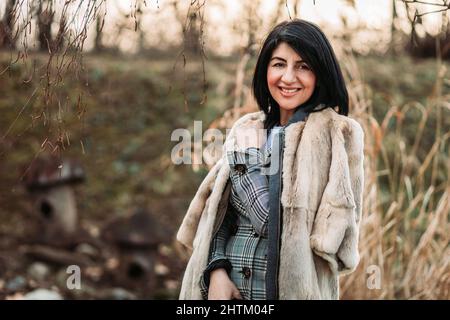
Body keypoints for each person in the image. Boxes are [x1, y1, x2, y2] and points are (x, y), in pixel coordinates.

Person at [176, 19, 365, 300]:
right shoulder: (247, 128)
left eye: (303, 66)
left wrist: (246, 159)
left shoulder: (337, 135)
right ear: (265, 69)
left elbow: (275, 223)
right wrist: (216, 270)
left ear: (321, 73)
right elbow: (218, 216)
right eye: (278, 64)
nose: (288, 77)